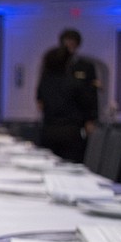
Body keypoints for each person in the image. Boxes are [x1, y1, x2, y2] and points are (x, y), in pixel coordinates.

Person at [35, 28, 99, 163]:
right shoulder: (74, 83)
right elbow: (88, 100)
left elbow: (40, 103)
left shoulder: (46, 82)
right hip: (70, 132)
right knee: (72, 164)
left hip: (49, 129)